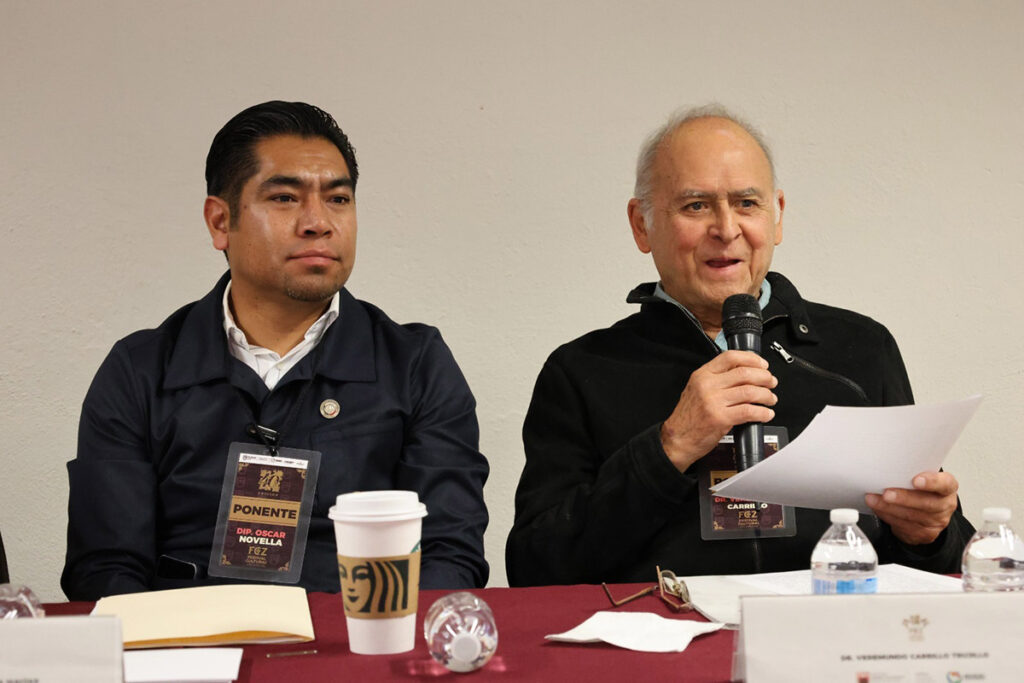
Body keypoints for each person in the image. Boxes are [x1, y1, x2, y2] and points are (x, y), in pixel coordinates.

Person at [505, 105, 973, 586]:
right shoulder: (583, 370)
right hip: (662, 630)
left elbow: (949, 561)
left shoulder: (861, 350)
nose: (726, 229)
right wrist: (670, 447)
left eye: (747, 203)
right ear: (641, 224)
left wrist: (928, 535)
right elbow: (534, 569)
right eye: (696, 206)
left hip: (827, 625)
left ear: (777, 216)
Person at [63, 101, 489, 600]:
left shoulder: (414, 364)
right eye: (285, 197)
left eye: (338, 199)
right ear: (220, 221)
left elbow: (447, 553)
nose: (318, 222)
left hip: (356, 637)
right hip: (188, 639)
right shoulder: (140, 370)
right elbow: (106, 568)